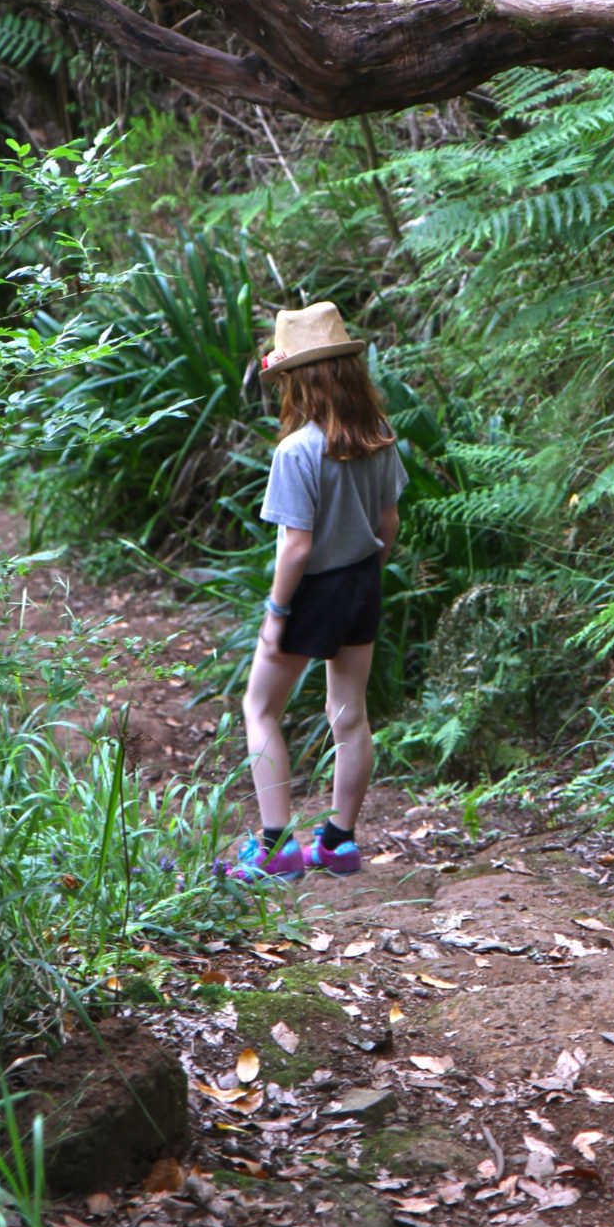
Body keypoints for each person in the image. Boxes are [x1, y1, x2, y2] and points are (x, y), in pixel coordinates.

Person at [227, 301, 407, 883]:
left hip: (313, 589)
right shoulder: (379, 436)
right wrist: (368, 571)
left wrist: (278, 609)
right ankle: (338, 843)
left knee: (259, 707)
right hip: (362, 580)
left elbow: (295, 546)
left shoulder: (296, 450)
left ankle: (277, 846)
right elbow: (390, 524)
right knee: (349, 715)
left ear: (299, 380)